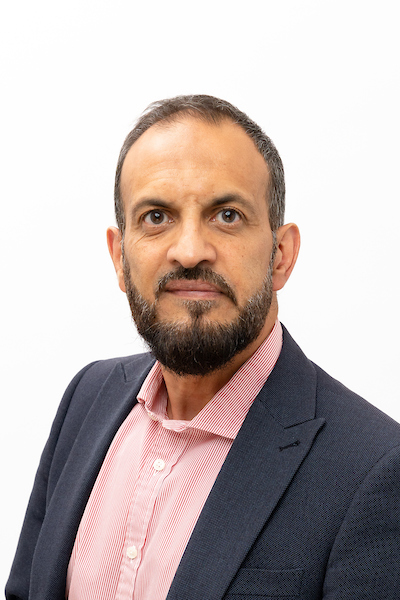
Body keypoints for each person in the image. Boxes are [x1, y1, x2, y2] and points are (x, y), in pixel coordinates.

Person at [6, 95, 400, 600]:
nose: (190, 250)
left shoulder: (374, 472)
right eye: (156, 217)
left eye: (227, 215)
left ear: (281, 255)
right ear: (120, 258)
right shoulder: (87, 398)